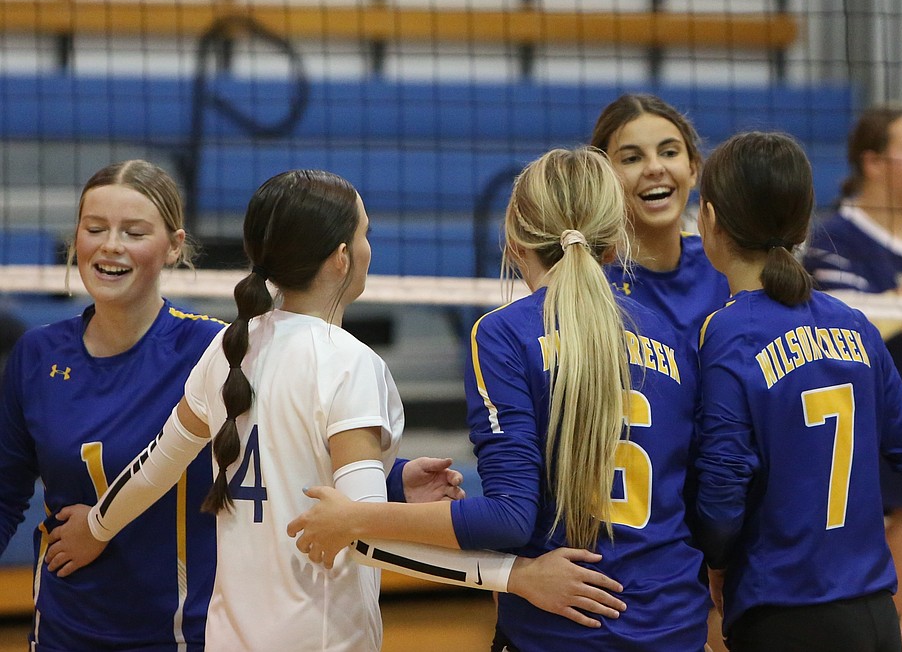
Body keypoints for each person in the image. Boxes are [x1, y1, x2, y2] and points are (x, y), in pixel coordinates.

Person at [43, 169, 615, 651]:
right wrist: (518, 576)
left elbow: (159, 463)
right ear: (342, 258)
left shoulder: (229, 347)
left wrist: (96, 527)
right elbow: (363, 537)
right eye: (366, 234)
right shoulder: (348, 364)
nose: (370, 247)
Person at [286, 147, 712, 650]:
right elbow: (699, 496)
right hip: (674, 623)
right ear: (615, 245)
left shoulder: (505, 333)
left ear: (513, 244)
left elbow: (510, 517)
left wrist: (356, 517)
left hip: (561, 632)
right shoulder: (672, 336)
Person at [692, 131, 902, 652]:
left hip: (782, 616)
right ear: (803, 225)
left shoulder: (728, 332)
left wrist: (715, 565)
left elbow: (722, 492)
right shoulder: (856, 326)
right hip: (874, 618)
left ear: (708, 220)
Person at [0, 159, 223, 650]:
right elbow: (4, 493)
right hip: (62, 629)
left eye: (134, 232)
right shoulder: (38, 355)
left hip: (181, 634)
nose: (110, 245)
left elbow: (285, 449)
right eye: (95, 228)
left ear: (174, 246)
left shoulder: (212, 351)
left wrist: (393, 479)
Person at [800, 103, 902, 638]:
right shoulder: (831, 241)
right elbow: (865, 332)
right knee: (864, 630)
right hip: (849, 464)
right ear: (872, 162)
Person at [590, 93, 730, 343]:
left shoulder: (726, 266)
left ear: (693, 169)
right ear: (603, 179)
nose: (655, 168)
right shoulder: (588, 278)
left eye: (669, 152)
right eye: (632, 158)